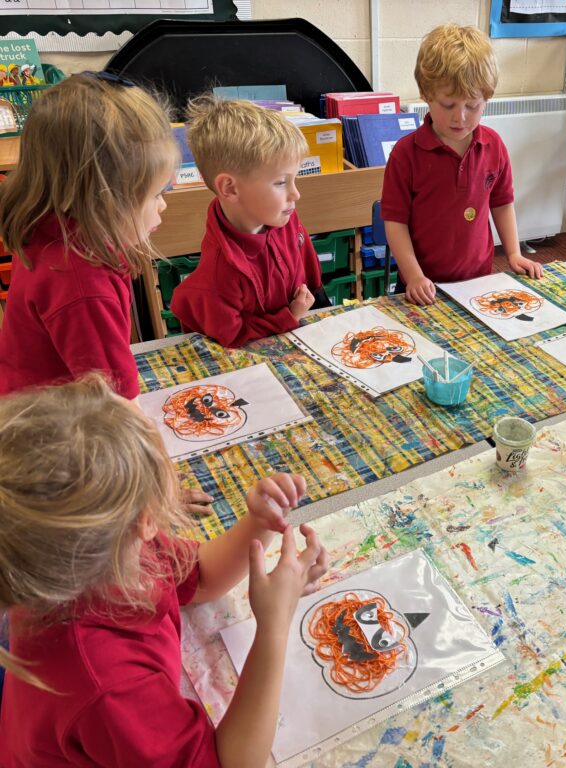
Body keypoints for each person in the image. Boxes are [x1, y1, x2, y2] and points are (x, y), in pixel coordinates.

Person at [0, 375, 328, 767]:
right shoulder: (107, 686)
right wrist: (275, 623)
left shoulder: (99, 556)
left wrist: (258, 522)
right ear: (145, 519)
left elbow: (200, 577)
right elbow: (233, 763)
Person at [0, 73, 178, 400]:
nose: (164, 204)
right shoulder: (82, 283)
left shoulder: (55, 225)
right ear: (102, 200)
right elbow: (116, 402)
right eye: (156, 194)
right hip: (50, 425)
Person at [380, 23, 543, 306]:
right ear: (426, 95)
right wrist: (414, 275)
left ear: (487, 99)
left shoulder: (494, 146)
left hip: (479, 280)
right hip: (423, 286)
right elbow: (395, 223)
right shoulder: (405, 155)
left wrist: (514, 253)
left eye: (472, 106)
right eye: (448, 105)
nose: (461, 118)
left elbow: (502, 203)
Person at [170, 97, 328, 348]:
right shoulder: (221, 271)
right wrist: (289, 316)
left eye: (294, 179)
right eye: (280, 182)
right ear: (230, 188)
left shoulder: (279, 214)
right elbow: (232, 335)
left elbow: (302, 252)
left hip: (302, 316)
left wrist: (316, 294)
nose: (295, 194)